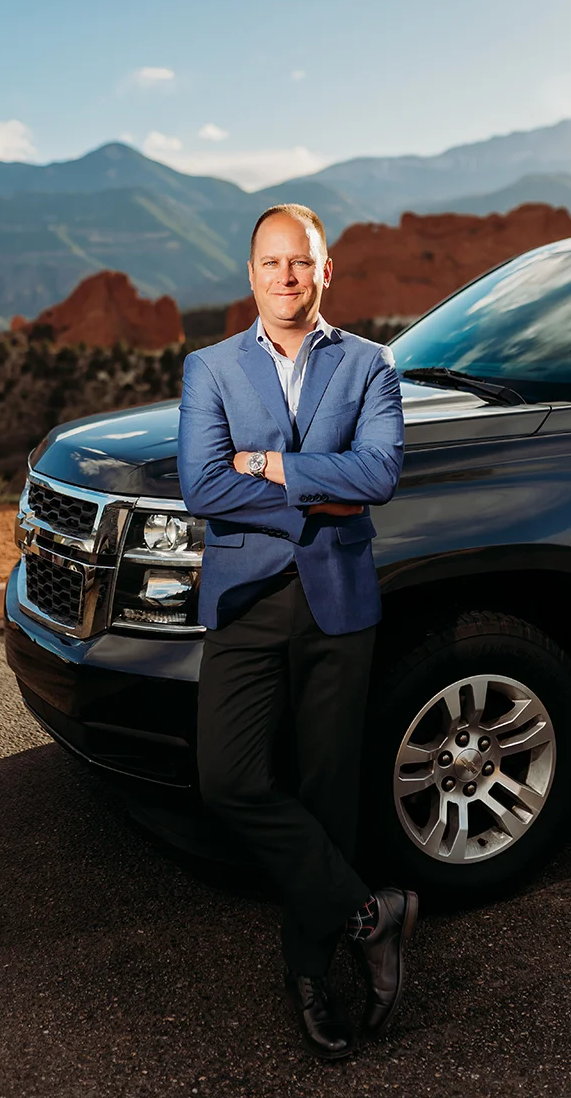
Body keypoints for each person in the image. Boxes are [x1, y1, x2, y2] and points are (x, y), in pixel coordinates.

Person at [177, 203, 416, 1061]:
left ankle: (311, 974)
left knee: (327, 794)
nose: (287, 275)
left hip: (337, 603)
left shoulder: (370, 365)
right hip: (247, 600)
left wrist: (270, 464)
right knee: (229, 777)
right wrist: (321, 484)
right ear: (251, 275)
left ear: (325, 273)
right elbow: (203, 485)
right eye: (272, 262)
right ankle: (371, 915)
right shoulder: (209, 368)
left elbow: (380, 473)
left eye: (301, 262)